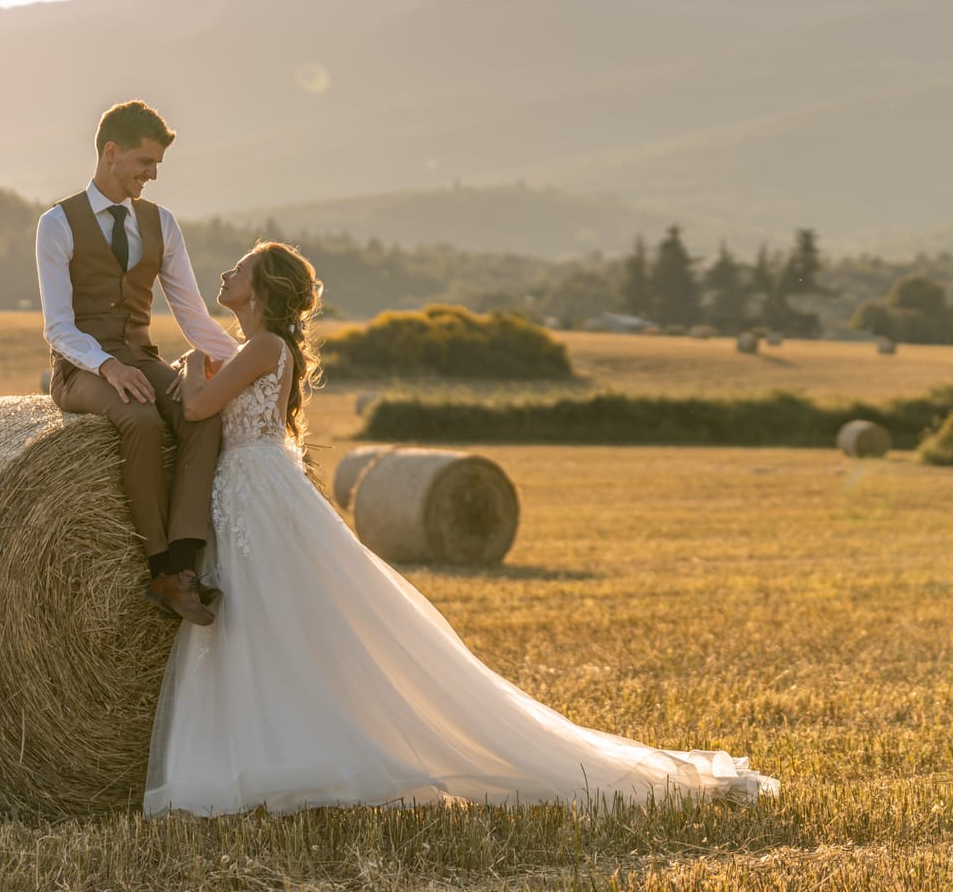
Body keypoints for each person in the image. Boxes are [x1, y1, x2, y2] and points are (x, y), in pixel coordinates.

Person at [144, 240, 778, 815]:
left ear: (261, 291)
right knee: (265, 621)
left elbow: (198, 407)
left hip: (255, 492)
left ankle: (292, 753)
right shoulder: (254, 348)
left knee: (269, 619)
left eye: (240, 270)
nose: (226, 274)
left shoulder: (261, 347)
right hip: (252, 490)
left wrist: (184, 370)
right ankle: (275, 748)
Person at [35, 100, 241, 625]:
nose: (152, 175)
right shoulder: (56, 223)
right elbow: (57, 327)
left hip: (143, 358)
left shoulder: (161, 223)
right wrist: (106, 366)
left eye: (156, 166)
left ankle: (185, 559)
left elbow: (192, 314)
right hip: (80, 369)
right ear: (111, 153)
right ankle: (158, 570)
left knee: (201, 414)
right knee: (141, 420)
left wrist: (243, 365)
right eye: (145, 163)